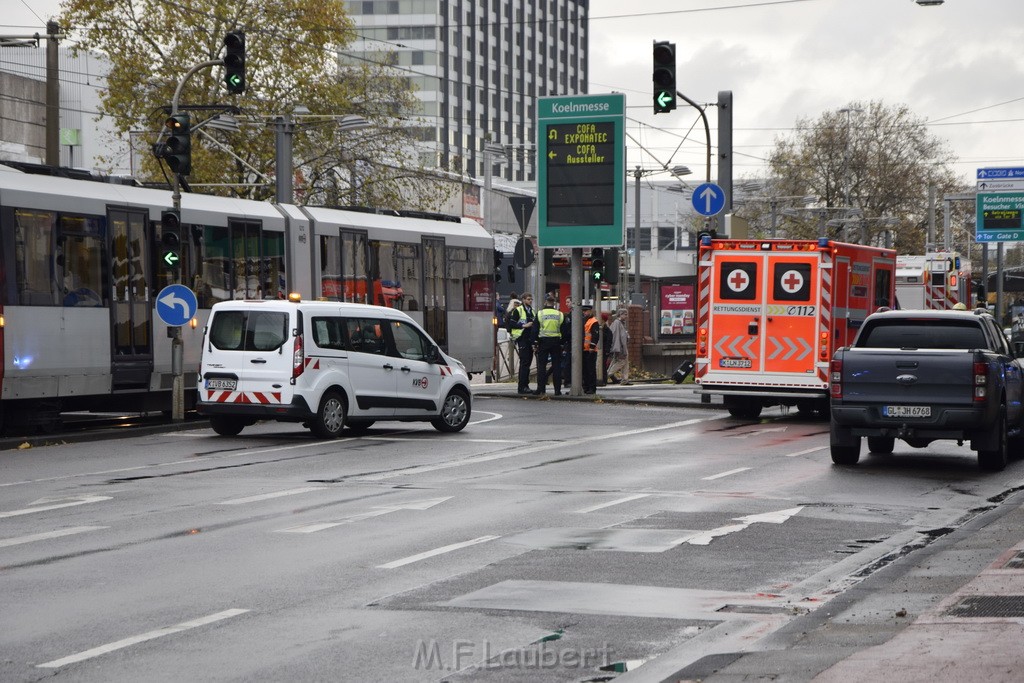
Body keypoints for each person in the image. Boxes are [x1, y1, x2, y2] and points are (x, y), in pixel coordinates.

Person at [533, 295, 564, 396]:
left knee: (541, 366)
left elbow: (535, 330)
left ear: (545, 302)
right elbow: (564, 330)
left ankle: (541, 389)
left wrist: (535, 342)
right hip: (556, 342)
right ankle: (557, 390)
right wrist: (562, 342)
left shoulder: (540, 314)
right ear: (554, 303)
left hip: (543, 342)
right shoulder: (560, 314)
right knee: (556, 367)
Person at [507, 293, 537, 394]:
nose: (530, 301)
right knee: (524, 363)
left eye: (531, 299)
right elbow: (511, 324)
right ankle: (522, 387)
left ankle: (526, 385)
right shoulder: (518, 310)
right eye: (528, 299)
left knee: (528, 363)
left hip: (530, 339)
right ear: (523, 300)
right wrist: (524, 325)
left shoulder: (532, 311)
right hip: (522, 338)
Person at [607, 308, 631, 385]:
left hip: (622, 346)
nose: (626, 316)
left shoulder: (621, 323)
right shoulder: (617, 323)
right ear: (620, 314)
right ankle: (606, 375)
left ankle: (625, 379)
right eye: (625, 314)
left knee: (624, 362)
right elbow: (616, 337)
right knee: (621, 362)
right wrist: (617, 348)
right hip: (620, 347)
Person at [581, 302, 599, 394]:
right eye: (583, 311)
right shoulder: (584, 320)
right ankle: (586, 387)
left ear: (590, 311)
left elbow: (595, 336)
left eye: (585, 311)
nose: (584, 312)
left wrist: (592, 346)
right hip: (584, 349)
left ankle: (592, 388)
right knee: (585, 370)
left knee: (590, 370)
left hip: (590, 350)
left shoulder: (593, 321)